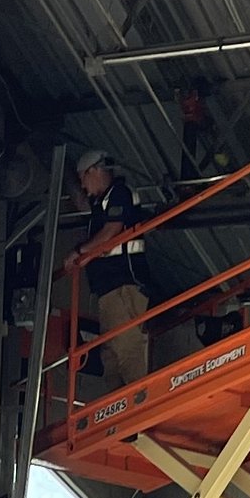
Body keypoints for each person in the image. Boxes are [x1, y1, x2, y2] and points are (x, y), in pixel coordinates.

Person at [75, 151, 150, 386]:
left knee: (126, 348)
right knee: (111, 354)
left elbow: (112, 231)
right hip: (109, 289)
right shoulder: (102, 202)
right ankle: (117, 412)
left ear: (94, 171)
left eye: (83, 179)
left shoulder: (119, 193)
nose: (83, 186)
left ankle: (138, 406)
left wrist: (81, 253)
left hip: (121, 285)